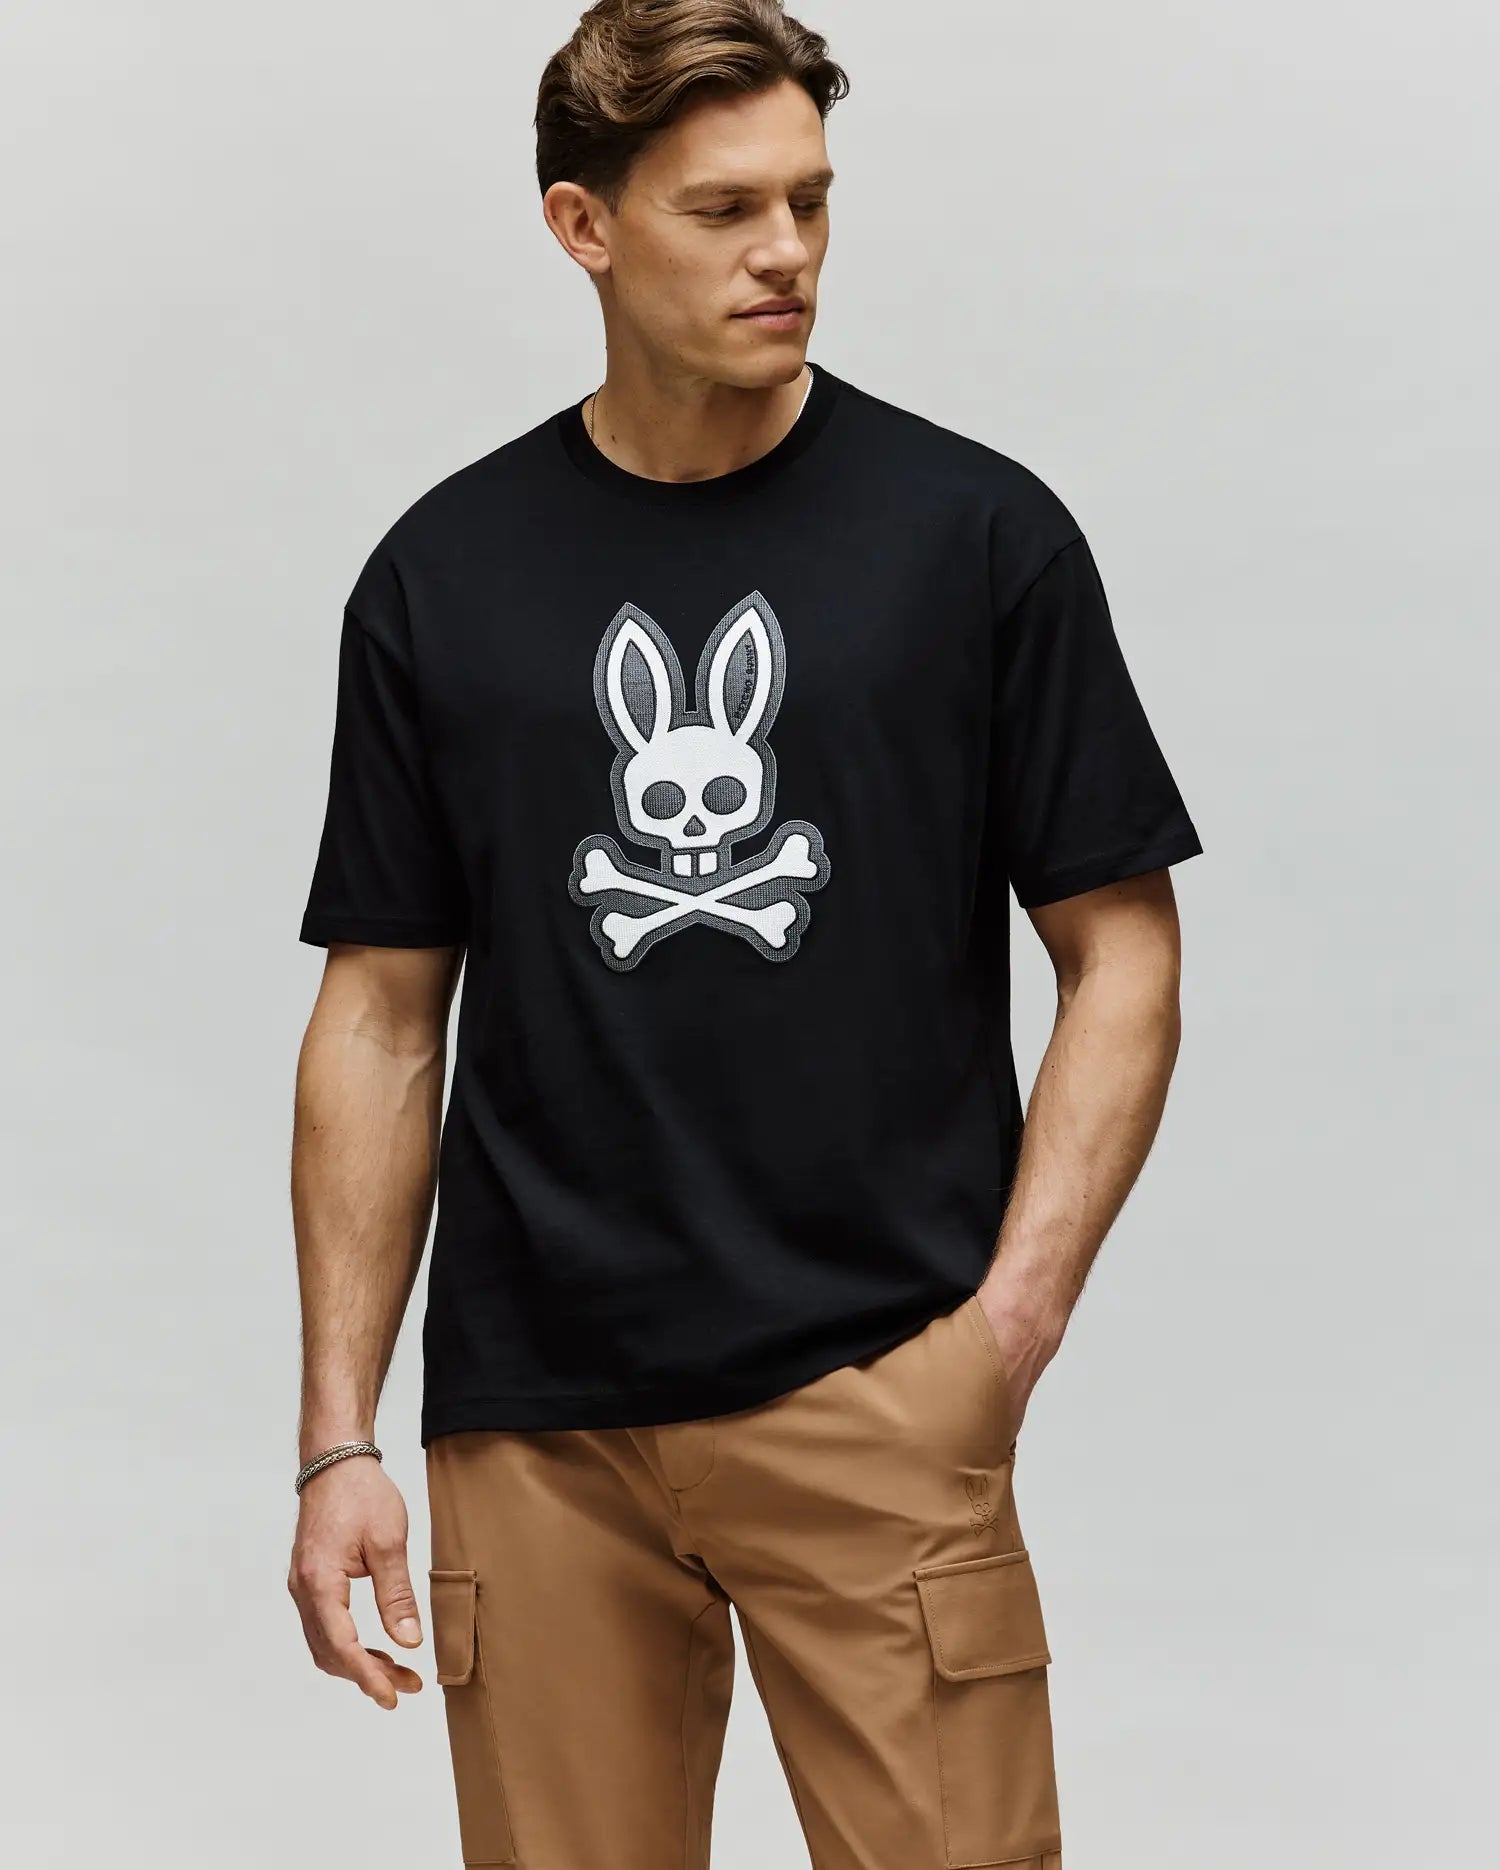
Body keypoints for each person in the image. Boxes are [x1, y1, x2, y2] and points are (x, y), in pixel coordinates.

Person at [285, 4, 1203, 1865]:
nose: (787, 250)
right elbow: (381, 1016)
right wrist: (339, 1434)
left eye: (810, 200)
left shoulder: (975, 539)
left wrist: (1001, 1337)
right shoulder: (442, 577)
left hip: (876, 1386)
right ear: (583, 225)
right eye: (724, 209)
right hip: (537, 1431)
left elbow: (1124, 953)